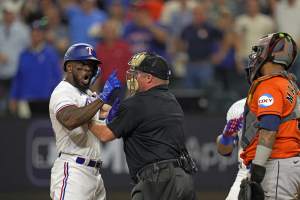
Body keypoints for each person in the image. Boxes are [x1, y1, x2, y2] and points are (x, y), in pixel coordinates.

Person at [88, 52, 197, 200]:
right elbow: (125, 114)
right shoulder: (170, 100)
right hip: (182, 178)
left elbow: (105, 134)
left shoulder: (137, 103)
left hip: (158, 181)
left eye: (137, 73)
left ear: (148, 78)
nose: (133, 76)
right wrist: (98, 106)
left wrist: (84, 117)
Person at [49, 43, 121, 200]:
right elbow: (70, 119)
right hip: (73, 170)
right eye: (82, 64)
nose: (88, 69)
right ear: (69, 67)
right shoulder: (63, 91)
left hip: (94, 175)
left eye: (91, 65)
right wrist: (101, 99)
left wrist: (113, 113)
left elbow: (104, 115)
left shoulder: (87, 94)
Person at [238, 32, 300, 200]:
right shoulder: (290, 85)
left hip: (276, 163)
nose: (256, 56)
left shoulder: (269, 85)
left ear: (269, 54)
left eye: (259, 50)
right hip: (288, 163)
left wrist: (257, 168)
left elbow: (270, 127)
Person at [216, 98, 246, 200]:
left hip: (277, 169)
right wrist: (226, 137)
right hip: (246, 172)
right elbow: (224, 151)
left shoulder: (286, 101)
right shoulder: (239, 107)